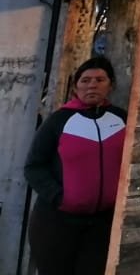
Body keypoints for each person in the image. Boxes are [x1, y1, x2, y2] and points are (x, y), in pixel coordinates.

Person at [24, 57, 128, 275]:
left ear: (111, 84)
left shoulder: (122, 120)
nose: (92, 85)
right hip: (57, 222)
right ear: (75, 86)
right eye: (85, 80)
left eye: (100, 79)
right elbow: (34, 166)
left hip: (102, 224)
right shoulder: (59, 121)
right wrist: (59, 197)